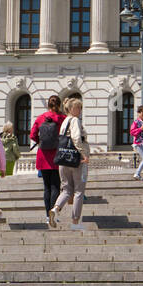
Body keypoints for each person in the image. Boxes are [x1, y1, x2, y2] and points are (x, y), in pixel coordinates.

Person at [49, 97, 89, 231]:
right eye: (78, 107)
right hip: (76, 159)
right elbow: (76, 138)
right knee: (78, 190)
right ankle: (75, 222)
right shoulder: (75, 120)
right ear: (71, 109)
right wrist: (83, 154)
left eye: (80, 107)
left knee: (66, 189)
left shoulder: (65, 121)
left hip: (63, 159)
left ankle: (56, 208)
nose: (80, 110)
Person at [31, 95, 66, 222]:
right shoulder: (62, 118)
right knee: (56, 186)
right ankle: (54, 213)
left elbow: (32, 135)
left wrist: (40, 142)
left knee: (47, 187)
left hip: (43, 155)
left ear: (48, 105)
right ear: (60, 104)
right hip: (58, 155)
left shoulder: (41, 118)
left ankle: (47, 215)